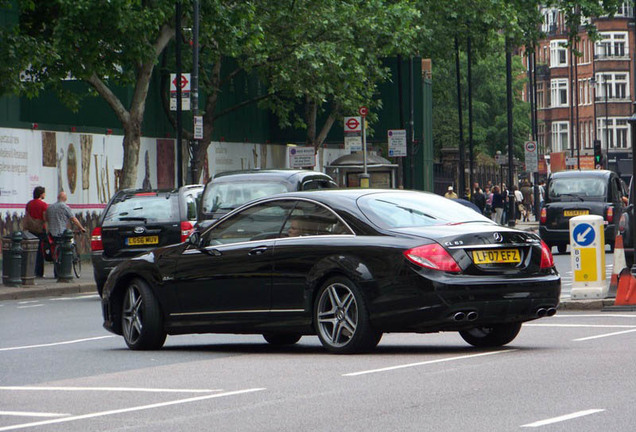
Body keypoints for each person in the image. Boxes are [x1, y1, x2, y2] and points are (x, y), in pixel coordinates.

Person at [24, 186, 48, 278]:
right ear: (41, 194)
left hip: (31, 229)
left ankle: (30, 270)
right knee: (40, 251)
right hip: (40, 229)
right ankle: (39, 272)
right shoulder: (43, 205)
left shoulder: (29, 204)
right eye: (44, 193)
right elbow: (45, 217)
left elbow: (26, 216)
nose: (45, 194)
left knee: (31, 250)